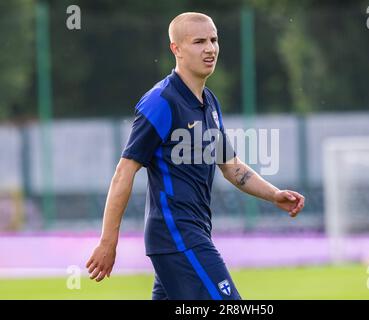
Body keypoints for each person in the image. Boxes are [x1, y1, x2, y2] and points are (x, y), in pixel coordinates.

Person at [86, 12, 305, 300]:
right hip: (178, 236)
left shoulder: (209, 102)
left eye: (214, 40)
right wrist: (107, 242)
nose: (210, 48)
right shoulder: (161, 101)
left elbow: (231, 166)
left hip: (191, 234)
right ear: (176, 49)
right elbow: (123, 173)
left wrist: (274, 194)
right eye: (199, 41)